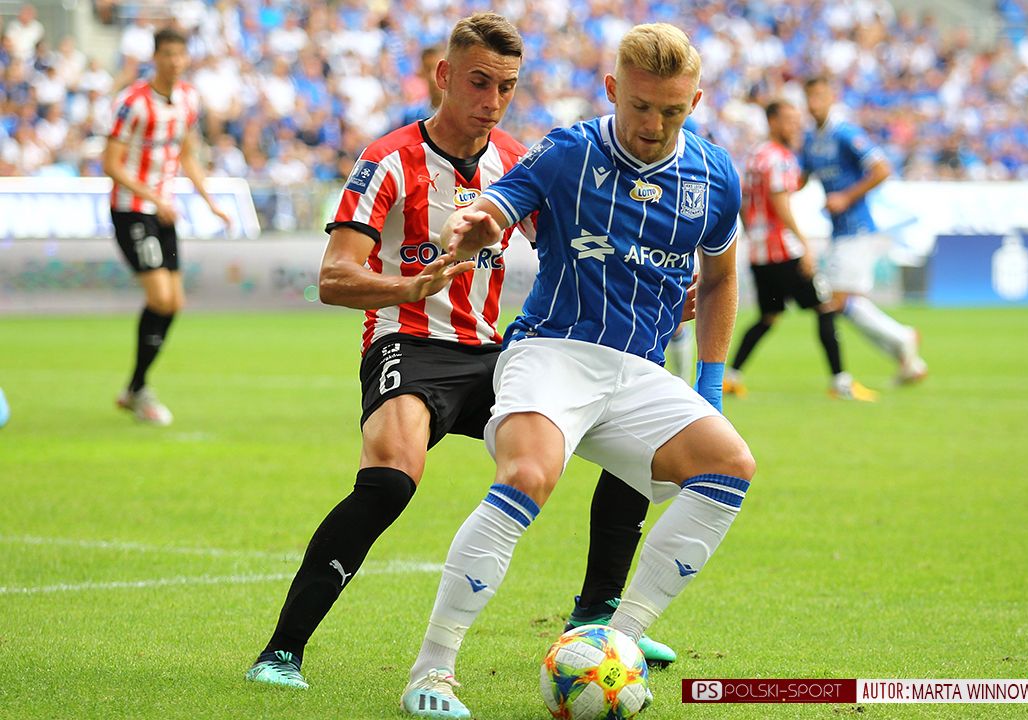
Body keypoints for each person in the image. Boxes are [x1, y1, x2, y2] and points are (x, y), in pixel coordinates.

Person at [244, 13, 673, 694]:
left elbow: (576, 247)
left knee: (631, 442)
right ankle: (281, 651)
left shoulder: (518, 160)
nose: (492, 100)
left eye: (506, 87)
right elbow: (333, 277)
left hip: (495, 354)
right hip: (407, 343)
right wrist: (407, 286)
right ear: (444, 76)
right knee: (390, 479)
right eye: (478, 82)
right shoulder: (389, 159)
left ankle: (598, 616)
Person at [401, 23, 755, 719]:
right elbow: (497, 207)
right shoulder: (570, 151)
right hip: (554, 352)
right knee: (528, 475)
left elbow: (719, 280)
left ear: (696, 102)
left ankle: (615, 641)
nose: (653, 125)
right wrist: (475, 226)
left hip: (639, 371)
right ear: (613, 90)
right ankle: (432, 669)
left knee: (730, 467)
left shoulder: (715, 176)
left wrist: (709, 386)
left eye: (672, 111)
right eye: (641, 106)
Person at [104, 28, 230, 425]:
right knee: (160, 297)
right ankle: (138, 388)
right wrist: (155, 198)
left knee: (175, 302)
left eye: (180, 54)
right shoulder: (132, 103)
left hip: (163, 212)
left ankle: (134, 389)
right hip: (132, 210)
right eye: (168, 54)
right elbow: (111, 164)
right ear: (155, 57)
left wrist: (210, 201)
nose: (175, 62)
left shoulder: (188, 99)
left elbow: (187, 154)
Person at [725, 99, 877, 401]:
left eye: (798, 121)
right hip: (783, 251)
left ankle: (731, 377)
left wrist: (754, 231)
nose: (796, 126)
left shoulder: (755, 155)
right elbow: (780, 202)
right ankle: (841, 382)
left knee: (768, 316)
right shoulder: (779, 157)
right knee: (825, 307)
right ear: (772, 122)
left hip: (759, 253)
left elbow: (744, 199)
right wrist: (804, 244)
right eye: (789, 121)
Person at [799, 77, 927, 384]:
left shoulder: (845, 134)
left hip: (857, 228)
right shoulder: (810, 140)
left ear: (831, 97)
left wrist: (846, 197)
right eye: (809, 97)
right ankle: (907, 357)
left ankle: (903, 338)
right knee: (841, 303)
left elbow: (882, 169)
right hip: (839, 231)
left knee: (835, 301)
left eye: (819, 96)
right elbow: (800, 179)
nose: (814, 103)